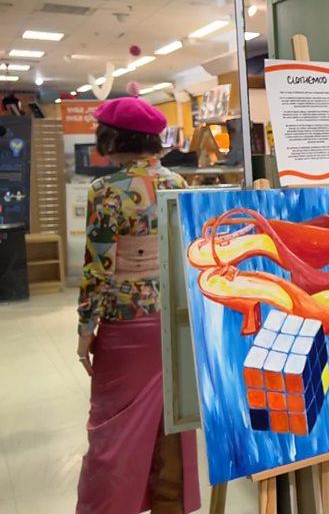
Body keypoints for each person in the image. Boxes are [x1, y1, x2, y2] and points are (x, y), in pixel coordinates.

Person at [76, 97, 200, 514]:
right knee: (174, 426)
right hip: (175, 321)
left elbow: (98, 266)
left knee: (114, 431)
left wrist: (85, 329)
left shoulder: (105, 191)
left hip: (126, 325)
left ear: (113, 137)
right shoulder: (178, 185)